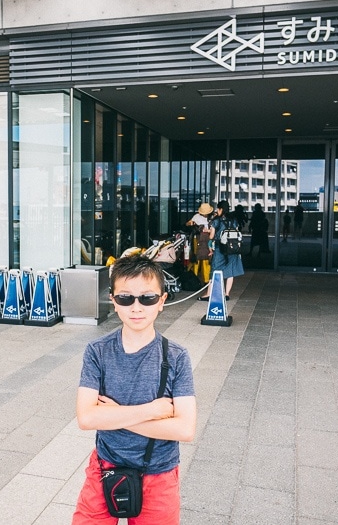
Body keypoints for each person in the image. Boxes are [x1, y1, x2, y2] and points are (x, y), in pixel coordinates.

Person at [73, 254, 196, 525]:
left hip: (159, 474)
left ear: (162, 301)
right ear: (113, 300)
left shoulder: (176, 356)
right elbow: (87, 418)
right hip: (105, 468)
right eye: (126, 298)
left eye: (148, 298)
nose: (136, 307)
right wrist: (152, 411)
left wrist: (116, 416)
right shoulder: (98, 351)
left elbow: (184, 429)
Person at [199, 200, 244, 301]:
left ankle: (208, 294)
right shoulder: (233, 219)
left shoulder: (217, 220)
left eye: (218, 209)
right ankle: (226, 294)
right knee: (230, 271)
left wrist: (208, 233)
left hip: (221, 248)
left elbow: (211, 236)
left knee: (214, 270)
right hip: (233, 247)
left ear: (220, 209)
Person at [185, 202, 213, 284]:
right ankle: (197, 279)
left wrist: (207, 230)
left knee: (204, 259)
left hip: (203, 240)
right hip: (200, 239)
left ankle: (203, 279)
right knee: (198, 259)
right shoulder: (197, 217)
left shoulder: (210, 217)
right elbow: (187, 223)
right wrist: (191, 223)